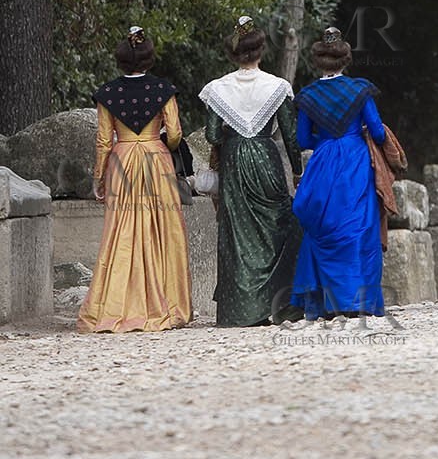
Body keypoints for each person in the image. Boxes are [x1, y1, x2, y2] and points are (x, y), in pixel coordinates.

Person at [78, 26, 192, 333]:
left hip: (123, 159)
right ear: (149, 58)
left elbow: (103, 141)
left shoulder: (107, 94)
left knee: (122, 232)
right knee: (163, 229)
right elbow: (176, 132)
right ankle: (166, 304)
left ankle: (116, 305)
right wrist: (163, 144)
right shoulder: (164, 90)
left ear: (121, 61)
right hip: (157, 159)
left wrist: (99, 179)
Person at [199, 16, 302, 327]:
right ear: (262, 50)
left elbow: (213, 135)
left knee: (237, 231)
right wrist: (297, 172)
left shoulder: (218, 89)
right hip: (265, 157)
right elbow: (290, 134)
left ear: (233, 54)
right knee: (279, 224)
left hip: (233, 161)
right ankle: (282, 303)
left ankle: (239, 309)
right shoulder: (278, 87)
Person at [290, 26, 387, 321]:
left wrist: (328, 142)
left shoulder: (308, 96)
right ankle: (357, 299)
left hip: (323, 162)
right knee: (359, 224)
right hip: (355, 160)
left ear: (318, 62)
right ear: (345, 59)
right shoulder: (359, 89)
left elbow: (304, 140)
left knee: (323, 225)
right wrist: (356, 135)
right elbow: (379, 132)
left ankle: (323, 301)